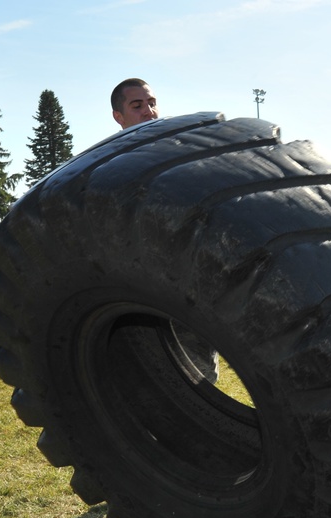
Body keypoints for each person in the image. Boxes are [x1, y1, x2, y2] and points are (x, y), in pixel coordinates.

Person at [109, 79, 219, 382]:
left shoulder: (179, 154)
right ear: (118, 116)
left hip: (187, 286)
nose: (149, 111)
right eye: (137, 105)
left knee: (200, 380)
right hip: (138, 294)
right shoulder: (109, 166)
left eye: (152, 102)